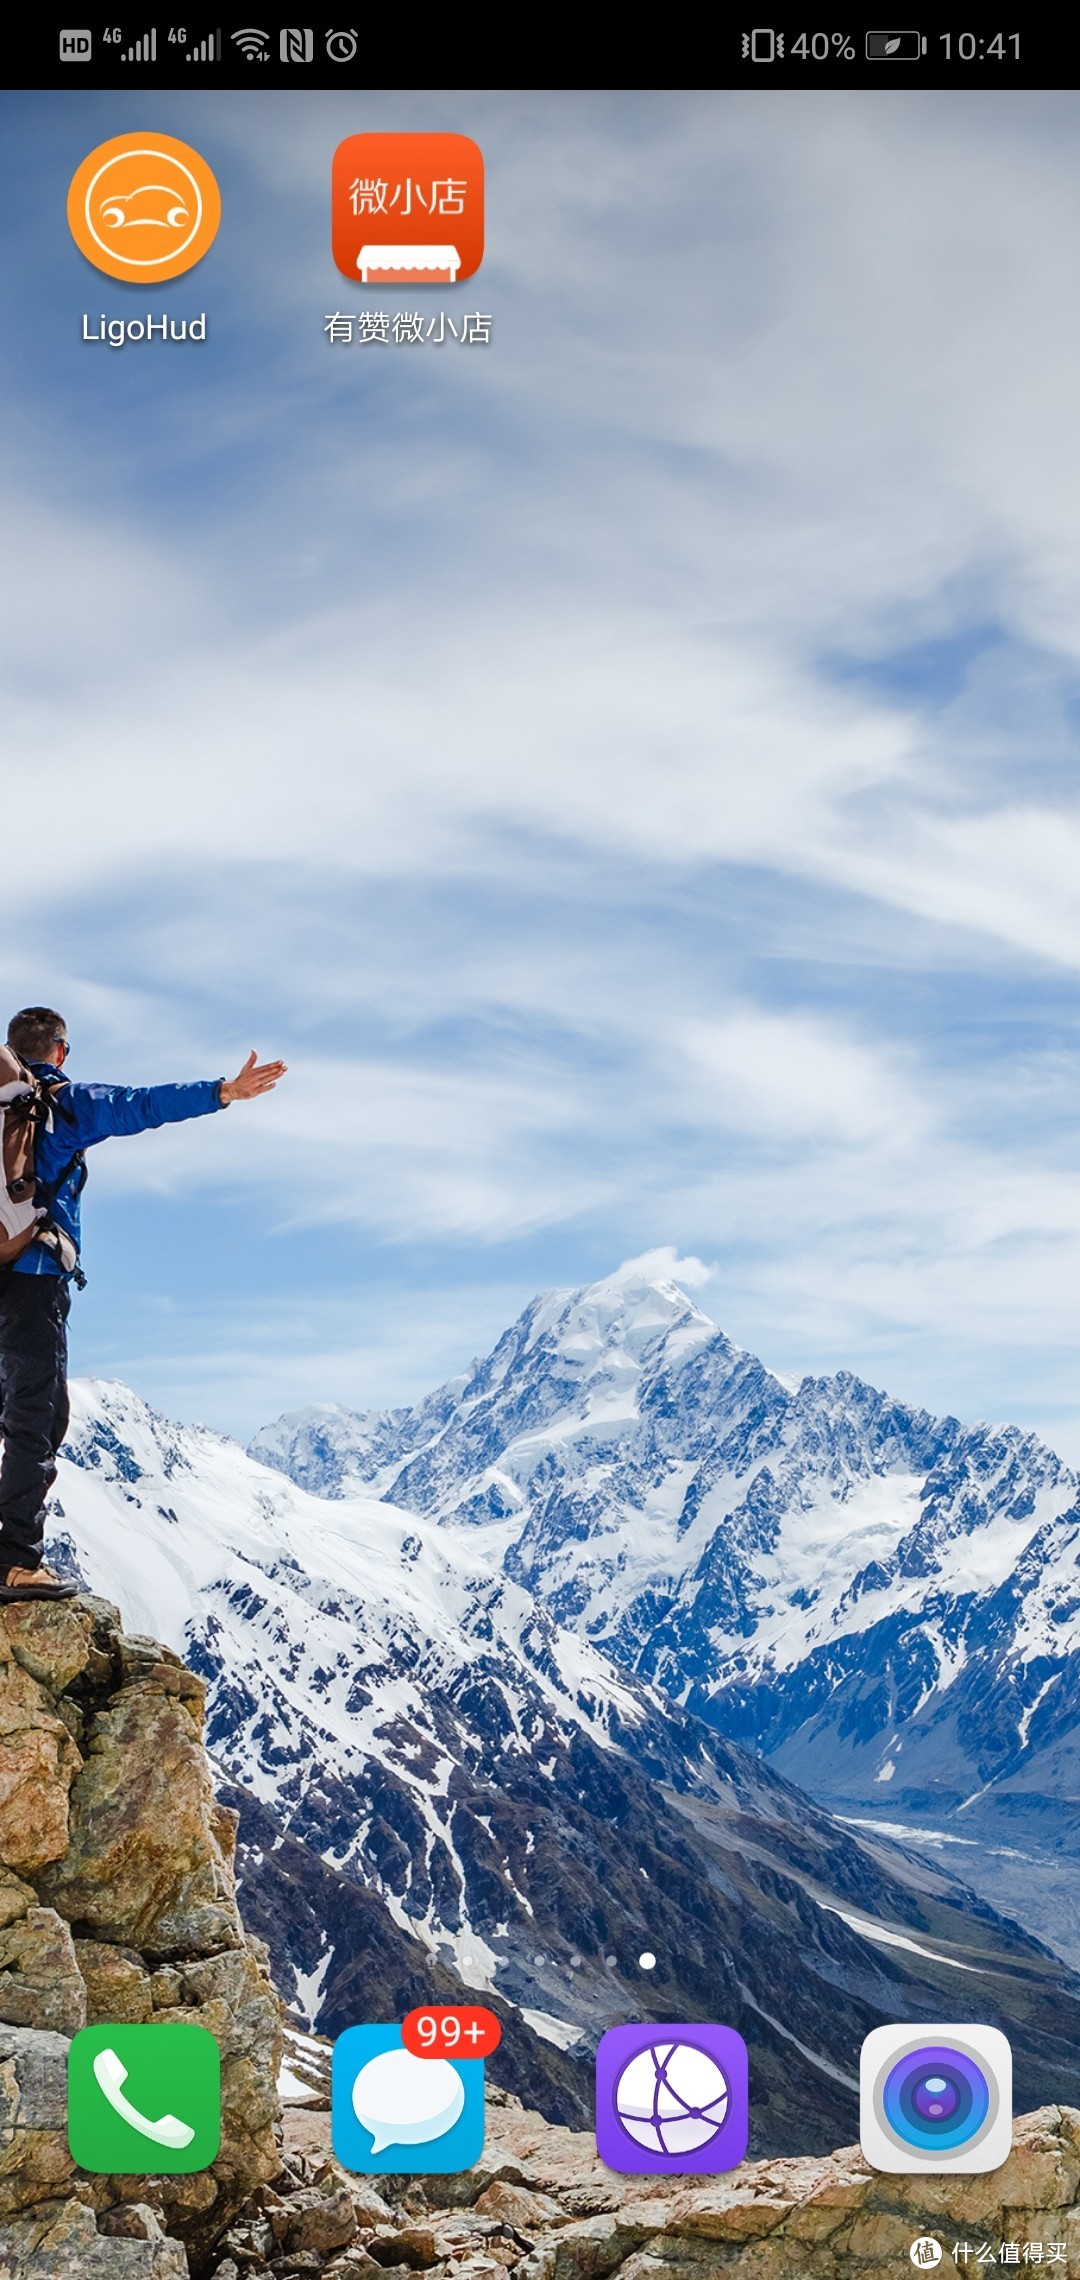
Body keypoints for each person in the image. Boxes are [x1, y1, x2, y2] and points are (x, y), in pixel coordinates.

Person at [0, 1007, 286, 1604]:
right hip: (32, 1278)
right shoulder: (60, 1104)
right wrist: (223, 1092)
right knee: (37, 1415)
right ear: (59, 1051)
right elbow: (141, 1104)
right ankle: (16, 1562)